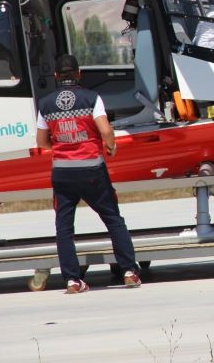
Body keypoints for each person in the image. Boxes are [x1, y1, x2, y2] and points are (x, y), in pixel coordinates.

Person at [36, 54, 141, 294]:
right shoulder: (92, 98)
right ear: (78, 74)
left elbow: (42, 141)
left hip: (62, 172)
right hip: (92, 170)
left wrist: (64, 146)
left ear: (55, 76)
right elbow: (105, 130)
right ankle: (128, 272)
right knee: (113, 220)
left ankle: (73, 280)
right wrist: (111, 146)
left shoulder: (46, 103)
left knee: (64, 227)